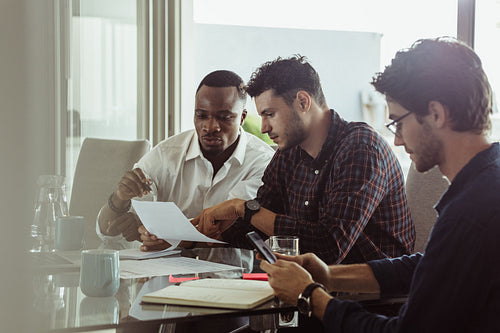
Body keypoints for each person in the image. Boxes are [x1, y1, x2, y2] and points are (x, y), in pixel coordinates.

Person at [260, 37, 500, 332]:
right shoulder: (486, 184)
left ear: (436, 114)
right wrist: (330, 276)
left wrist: (311, 296)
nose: (397, 139)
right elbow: (426, 266)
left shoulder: (470, 214)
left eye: (398, 122)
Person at [193, 55, 415, 265]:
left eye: (270, 114)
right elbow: (258, 226)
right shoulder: (288, 152)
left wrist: (243, 208)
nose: (263, 127)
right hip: (306, 287)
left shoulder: (362, 148)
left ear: (302, 101)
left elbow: (329, 247)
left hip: (367, 296)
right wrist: (205, 233)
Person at [96, 70, 275, 250]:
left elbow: (229, 228)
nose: (210, 127)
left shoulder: (263, 162)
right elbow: (108, 233)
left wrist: (170, 239)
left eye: (224, 117)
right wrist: (121, 200)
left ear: (242, 117)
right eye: (201, 115)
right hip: (160, 270)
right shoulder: (165, 154)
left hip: (230, 270)